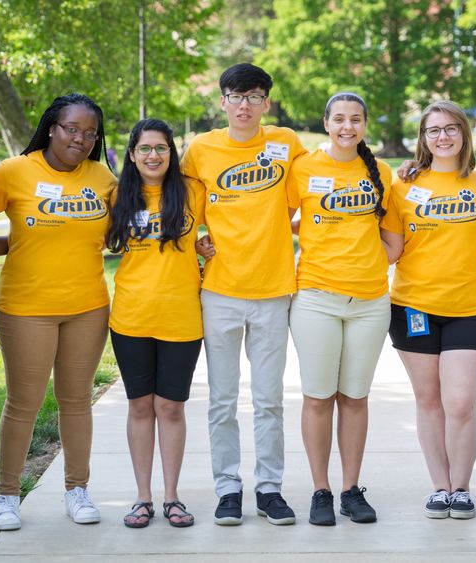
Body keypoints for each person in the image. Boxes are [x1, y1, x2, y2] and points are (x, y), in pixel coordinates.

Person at [181, 63, 306, 526]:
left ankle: (269, 488)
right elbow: (185, 205)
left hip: (274, 290)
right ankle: (228, 488)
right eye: (236, 96)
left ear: (266, 103)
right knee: (222, 398)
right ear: (222, 102)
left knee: (270, 398)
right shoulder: (201, 149)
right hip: (220, 291)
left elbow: (320, 181)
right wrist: (195, 238)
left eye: (254, 97)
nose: (245, 105)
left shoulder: (286, 144)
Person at [0, 93, 117, 531]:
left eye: (89, 133)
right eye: (71, 129)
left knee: (77, 400)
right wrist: (13, 244)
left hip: (88, 307)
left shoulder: (102, 176)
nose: (80, 139)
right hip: (25, 308)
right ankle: (7, 496)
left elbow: (124, 231)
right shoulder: (12, 172)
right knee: (23, 402)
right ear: (50, 127)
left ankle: (77, 489)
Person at [381, 100, 476, 520]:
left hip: (469, 308)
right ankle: (440, 486)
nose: (443, 136)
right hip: (413, 307)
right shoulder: (401, 188)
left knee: (459, 402)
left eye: (451, 128)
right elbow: (391, 251)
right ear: (423, 138)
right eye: (434, 130)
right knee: (428, 400)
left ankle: (463, 488)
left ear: (464, 134)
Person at [286, 92, 396, 526]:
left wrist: (363, 261)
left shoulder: (382, 171)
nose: (347, 127)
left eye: (355, 119)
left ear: (365, 125)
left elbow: (393, 239)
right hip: (315, 299)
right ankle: (320, 491)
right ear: (326, 123)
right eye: (339, 119)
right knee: (318, 398)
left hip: (370, 302)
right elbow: (280, 220)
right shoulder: (304, 167)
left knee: (354, 398)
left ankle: (351, 489)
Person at [105, 119, 205, 529]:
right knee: (140, 405)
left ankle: (172, 497)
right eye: (145, 148)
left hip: (182, 316)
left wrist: (205, 245)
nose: (153, 155)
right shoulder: (117, 195)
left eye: (161, 148)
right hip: (131, 316)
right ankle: (142, 497)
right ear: (132, 154)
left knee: (171, 407)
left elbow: (233, 223)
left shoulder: (192, 191)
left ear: (171, 152)